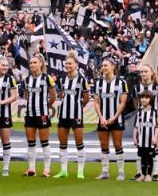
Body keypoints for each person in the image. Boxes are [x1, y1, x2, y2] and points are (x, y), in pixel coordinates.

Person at [54, 51, 90, 179]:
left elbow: (86, 98)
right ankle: (63, 171)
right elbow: (60, 95)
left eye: (70, 63)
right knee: (62, 144)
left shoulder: (82, 80)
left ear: (76, 64)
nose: (68, 65)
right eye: (66, 63)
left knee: (79, 143)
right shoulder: (62, 79)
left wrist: (78, 107)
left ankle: (80, 171)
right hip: (63, 115)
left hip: (76, 115)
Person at [22, 53, 56, 177]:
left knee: (44, 142)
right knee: (31, 142)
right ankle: (31, 169)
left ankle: (47, 169)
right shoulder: (26, 80)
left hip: (42, 114)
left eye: (35, 62)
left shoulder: (47, 78)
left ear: (41, 64)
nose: (32, 65)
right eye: (31, 63)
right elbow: (26, 95)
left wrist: (45, 107)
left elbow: (53, 96)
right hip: (30, 114)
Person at [94, 57, 128, 181]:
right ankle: (105, 172)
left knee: (118, 144)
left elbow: (122, 102)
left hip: (116, 119)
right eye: (102, 65)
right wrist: (101, 117)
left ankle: (121, 172)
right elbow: (96, 102)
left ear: (113, 67)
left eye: (105, 65)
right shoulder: (98, 83)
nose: (103, 68)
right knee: (103, 145)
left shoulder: (121, 83)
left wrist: (114, 117)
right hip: (103, 120)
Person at [134, 63, 158, 181]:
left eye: (146, 71)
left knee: (154, 147)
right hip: (141, 121)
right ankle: (140, 172)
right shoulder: (136, 88)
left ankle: (154, 173)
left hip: (152, 123)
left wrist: (154, 114)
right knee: (140, 147)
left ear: (151, 73)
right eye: (141, 72)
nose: (143, 74)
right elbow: (135, 103)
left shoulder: (157, 87)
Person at [0, 56, 18, 177]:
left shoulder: (10, 79)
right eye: (3, 65)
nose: (5, 67)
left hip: (5, 114)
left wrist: (1, 102)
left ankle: (6, 168)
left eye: (6, 65)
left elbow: (14, 96)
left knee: (5, 141)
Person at [133, 91, 158, 182]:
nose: (144, 99)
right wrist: (134, 138)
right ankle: (143, 174)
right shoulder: (139, 112)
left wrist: (155, 137)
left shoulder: (155, 112)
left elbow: (157, 126)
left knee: (150, 158)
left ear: (151, 99)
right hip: (141, 140)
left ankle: (149, 175)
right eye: (142, 97)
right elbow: (136, 126)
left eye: (146, 98)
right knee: (143, 158)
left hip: (150, 140)